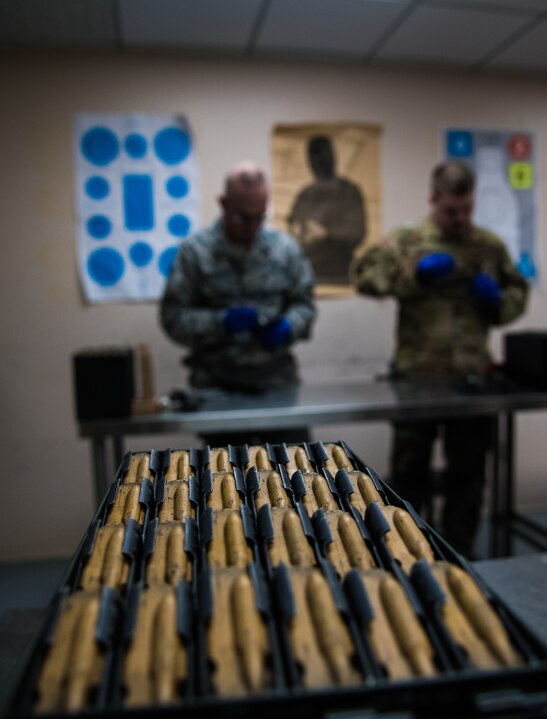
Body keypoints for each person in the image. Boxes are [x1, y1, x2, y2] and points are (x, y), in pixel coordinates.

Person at [350, 159, 529, 557]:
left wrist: (498, 301)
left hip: (471, 381)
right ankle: (410, 558)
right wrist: (415, 275)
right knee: (408, 482)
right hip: (416, 381)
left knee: (467, 481)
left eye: (467, 208)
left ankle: (460, 558)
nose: (460, 218)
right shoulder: (408, 241)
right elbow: (363, 277)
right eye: (451, 210)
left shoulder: (487, 246)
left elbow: (517, 295)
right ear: (433, 200)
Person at [159, 160, 317, 446]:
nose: (253, 226)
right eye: (244, 218)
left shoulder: (284, 250)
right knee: (227, 486)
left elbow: (304, 304)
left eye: (261, 217)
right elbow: (172, 317)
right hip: (217, 391)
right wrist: (219, 323)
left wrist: (288, 326)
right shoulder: (195, 253)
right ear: (223, 203)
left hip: (277, 386)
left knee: (294, 482)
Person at [288, 135, 366, 286]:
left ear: (331, 155)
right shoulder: (305, 194)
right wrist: (297, 231)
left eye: (321, 154)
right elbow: (294, 224)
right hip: (308, 273)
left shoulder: (348, 191)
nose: (317, 160)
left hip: (340, 272)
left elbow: (357, 232)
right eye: (313, 155)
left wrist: (326, 235)